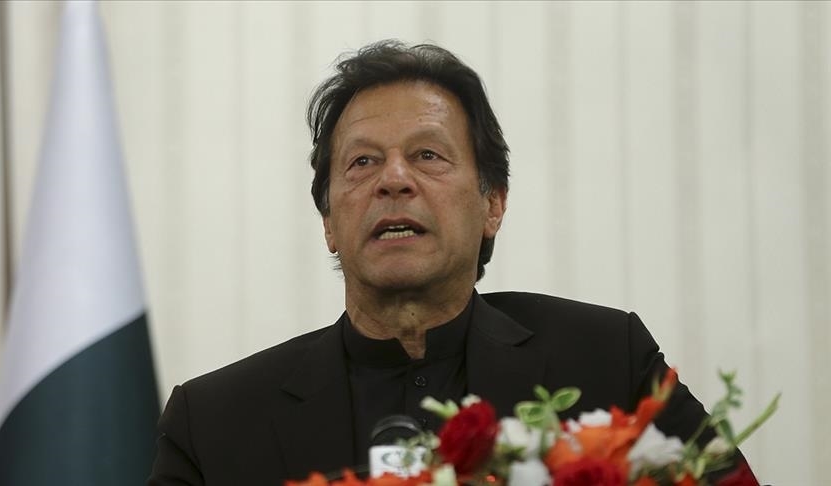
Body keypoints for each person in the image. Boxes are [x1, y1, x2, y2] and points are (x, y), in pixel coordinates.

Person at [148, 40, 756, 485]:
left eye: (428, 155)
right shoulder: (216, 422)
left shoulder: (605, 359)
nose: (393, 179)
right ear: (329, 222)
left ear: (493, 204)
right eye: (362, 162)